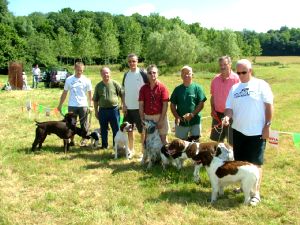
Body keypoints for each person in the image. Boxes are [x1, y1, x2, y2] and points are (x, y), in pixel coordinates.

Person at [222, 59, 274, 206]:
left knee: (255, 164)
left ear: (250, 71)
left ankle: (255, 194)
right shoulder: (235, 88)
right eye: (238, 73)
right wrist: (227, 116)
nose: (240, 75)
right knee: (241, 163)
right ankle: (243, 186)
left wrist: (267, 125)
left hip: (256, 132)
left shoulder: (261, 85)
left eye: (243, 72)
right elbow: (229, 108)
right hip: (238, 131)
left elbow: (269, 106)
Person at [57, 62, 93, 147]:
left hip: (83, 105)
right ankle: (71, 140)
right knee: (71, 125)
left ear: (83, 70)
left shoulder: (87, 80)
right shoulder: (69, 79)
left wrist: (91, 105)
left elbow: (90, 94)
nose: (79, 72)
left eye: (81, 70)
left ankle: (84, 139)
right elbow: (65, 93)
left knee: (84, 124)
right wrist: (60, 105)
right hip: (72, 105)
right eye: (78, 70)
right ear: (74, 69)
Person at [170, 65, 207, 141]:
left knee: (195, 145)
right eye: (184, 73)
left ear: (192, 75)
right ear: (181, 75)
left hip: (195, 121)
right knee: (180, 144)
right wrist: (177, 116)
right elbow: (172, 104)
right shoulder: (177, 89)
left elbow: (201, 104)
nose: (186, 75)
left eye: (188, 73)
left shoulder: (198, 88)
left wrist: (192, 114)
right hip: (181, 122)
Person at [122, 53, 148, 155]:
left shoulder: (142, 74)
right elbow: (123, 91)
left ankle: (143, 152)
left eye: (134, 61)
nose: (132, 63)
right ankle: (131, 149)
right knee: (129, 130)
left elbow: (148, 89)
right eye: (129, 61)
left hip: (140, 108)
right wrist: (124, 104)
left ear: (137, 62)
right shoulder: (126, 75)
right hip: (128, 108)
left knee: (142, 131)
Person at [210, 56, 239, 145]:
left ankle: (232, 158)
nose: (222, 67)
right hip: (217, 115)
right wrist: (212, 109)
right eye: (221, 65)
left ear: (230, 65)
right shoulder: (215, 79)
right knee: (217, 141)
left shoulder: (236, 79)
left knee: (232, 142)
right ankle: (219, 158)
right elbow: (213, 96)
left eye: (225, 64)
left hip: (232, 115)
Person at [93, 67, 123, 149]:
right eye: (103, 73)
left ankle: (115, 145)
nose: (105, 74)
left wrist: (122, 104)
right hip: (102, 111)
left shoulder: (115, 83)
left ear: (110, 73)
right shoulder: (98, 86)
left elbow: (122, 94)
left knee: (116, 129)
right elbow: (95, 100)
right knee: (103, 129)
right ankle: (104, 145)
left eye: (107, 73)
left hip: (114, 110)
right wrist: (96, 111)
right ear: (101, 74)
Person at [139, 64, 169, 144]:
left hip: (160, 116)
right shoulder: (143, 88)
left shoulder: (163, 88)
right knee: (147, 140)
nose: (152, 74)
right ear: (147, 75)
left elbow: (165, 105)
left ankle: (165, 156)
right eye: (150, 73)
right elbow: (141, 105)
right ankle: (147, 156)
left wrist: (161, 120)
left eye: (154, 72)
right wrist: (142, 119)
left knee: (163, 139)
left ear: (157, 74)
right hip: (147, 117)